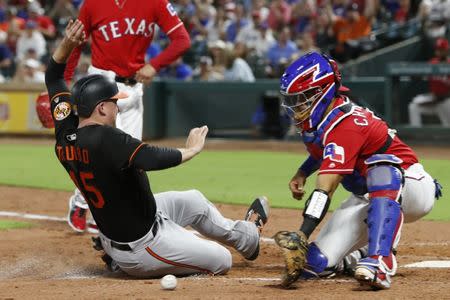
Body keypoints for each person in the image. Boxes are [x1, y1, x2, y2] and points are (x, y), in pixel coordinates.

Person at [44, 20, 269, 278]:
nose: (118, 108)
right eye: (115, 102)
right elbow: (152, 157)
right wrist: (191, 150)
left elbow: (53, 76)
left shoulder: (65, 134)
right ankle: (126, 262)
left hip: (124, 224)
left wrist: (66, 44)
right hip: (142, 246)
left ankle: (247, 239)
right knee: (221, 260)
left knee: (193, 200)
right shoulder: (107, 139)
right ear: (102, 108)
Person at [273, 52, 442, 290]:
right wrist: (303, 171)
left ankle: (380, 262)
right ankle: (358, 255)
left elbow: (326, 187)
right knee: (314, 264)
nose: (296, 104)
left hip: (411, 186)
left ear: (322, 92)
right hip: (368, 198)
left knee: (382, 169)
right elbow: (324, 150)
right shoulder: (322, 122)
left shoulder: (347, 124)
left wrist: (303, 233)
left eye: (303, 97)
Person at [64, 0, 192, 233]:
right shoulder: (93, 4)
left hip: (132, 89)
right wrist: (65, 81)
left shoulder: (156, 3)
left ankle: (105, 211)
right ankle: (81, 202)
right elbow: (74, 43)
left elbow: (182, 40)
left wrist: (155, 65)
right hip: (101, 86)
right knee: (97, 150)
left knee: (129, 160)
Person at [408, 37, 450, 127]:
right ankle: (417, 135)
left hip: (446, 102)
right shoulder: (432, 63)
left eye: (442, 49)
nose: (439, 52)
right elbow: (418, 75)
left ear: (447, 50)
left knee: (447, 126)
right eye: (438, 49)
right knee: (413, 107)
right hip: (434, 100)